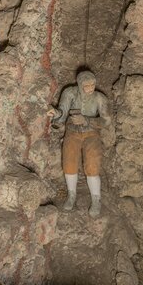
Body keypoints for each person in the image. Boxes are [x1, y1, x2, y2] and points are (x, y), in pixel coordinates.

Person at [49, 70, 111, 215]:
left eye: (93, 85)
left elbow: (106, 121)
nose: (90, 88)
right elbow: (62, 113)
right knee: (69, 162)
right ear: (79, 84)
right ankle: (71, 195)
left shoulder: (99, 98)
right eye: (86, 85)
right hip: (73, 131)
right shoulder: (70, 93)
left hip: (91, 132)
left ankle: (96, 200)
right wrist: (55, 113)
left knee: (92, 164)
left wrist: (87, 120)